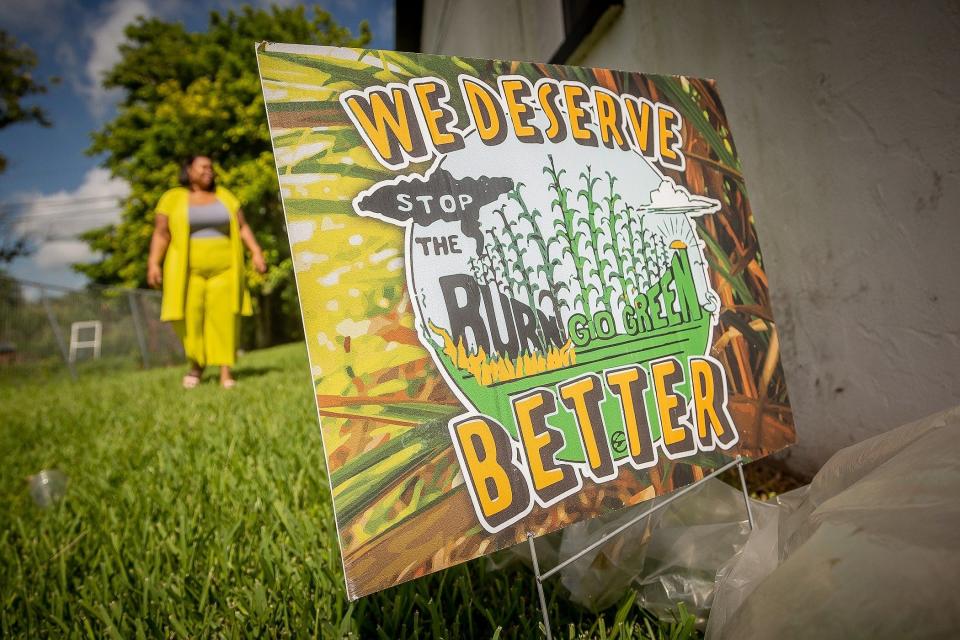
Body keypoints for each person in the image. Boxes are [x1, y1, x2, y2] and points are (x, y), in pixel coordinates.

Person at [147, 155, 266, 388]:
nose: (209, 171)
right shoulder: (172, 198)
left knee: (224, 318)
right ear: (189, 170)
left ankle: (225, 372)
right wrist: (153, 263)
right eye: (203, 166)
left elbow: (242, 227)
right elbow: (161, 233)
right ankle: (196, 365)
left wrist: (256, 252)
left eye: (211, 167)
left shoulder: (225, 196)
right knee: (191, 319)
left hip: (226, 269)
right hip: (187, 273)